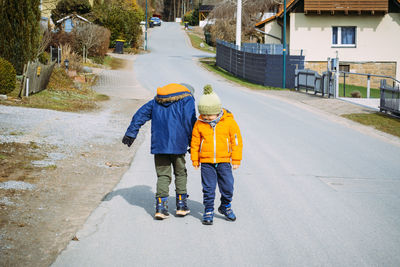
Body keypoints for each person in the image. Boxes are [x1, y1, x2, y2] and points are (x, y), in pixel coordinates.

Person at [122, 83, 197, 220]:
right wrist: (193, 143)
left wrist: (131, 133)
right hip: (178, 144)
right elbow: (190, 121)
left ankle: (161, 208)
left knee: (163, 175)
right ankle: (181, 206)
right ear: (189, 92)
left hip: (160, 144)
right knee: (180, 172)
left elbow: (141, 114)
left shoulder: (157, 100)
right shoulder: (187, 99)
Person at [190, 85, 243, 225]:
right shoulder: (199, 123)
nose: (206, 117)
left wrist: (236, 159)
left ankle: (225, 206)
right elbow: (195, 142)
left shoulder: (229, 122)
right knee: (208, 188)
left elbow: (236, 141)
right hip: (207, 162)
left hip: (224, 161)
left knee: (228, 186)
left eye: (209, 115)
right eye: (204, 114)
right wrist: (195, 159)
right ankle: (208, 210)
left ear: (217, 111)